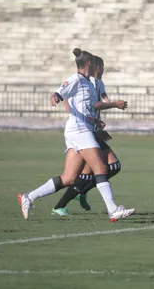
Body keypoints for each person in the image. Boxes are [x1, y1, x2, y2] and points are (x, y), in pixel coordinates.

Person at [18, 48, 134, 222]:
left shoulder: (88, 82)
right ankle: (113, 210)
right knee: (101, 168)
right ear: (89, 64)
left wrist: (98, 120)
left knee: (70, 177)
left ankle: (29, 197)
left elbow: (93, 105)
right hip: (79, 130)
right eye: (94, 62)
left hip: (80, 130)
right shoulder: (76, 79)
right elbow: (60, 92)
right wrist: (55, 97)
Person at [52, 55, 126, 215]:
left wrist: (99, 120)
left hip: (92, 128)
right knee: (94, 171)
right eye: (102, 67)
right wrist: (113, 105)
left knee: (98, 170)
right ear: (97, 67)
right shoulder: (87, 81)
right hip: (85, 131)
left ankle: (70, 199)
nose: (103, 70)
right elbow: (92, 104)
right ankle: (64, 202)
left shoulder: (99, 83)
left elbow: (98, 103)